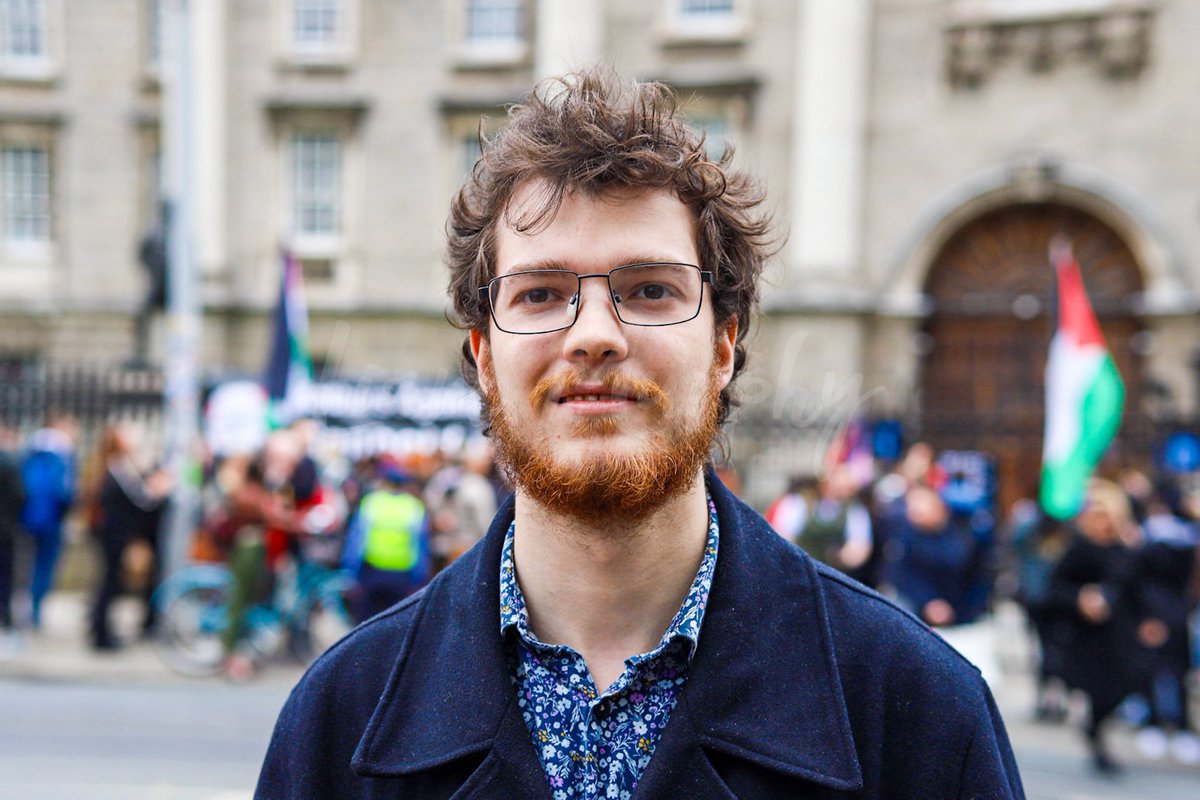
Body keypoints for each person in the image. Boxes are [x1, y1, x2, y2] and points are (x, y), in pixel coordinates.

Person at [257, 68, 1023, 799]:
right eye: (542, 293)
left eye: (650, 290)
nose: (594, 335)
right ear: (484, 356)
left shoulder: (918, 710)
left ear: (723, 347)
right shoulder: (338, 717)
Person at [88, 422, 171, 650]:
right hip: (113, 536)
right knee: (109, 583)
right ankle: (101, 633)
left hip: (115, 535)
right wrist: (157, 490)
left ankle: (100, 628)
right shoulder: (117, 469)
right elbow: (140, 500)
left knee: (110, 582)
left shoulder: (120, 468)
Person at [341, 465, 432, 622]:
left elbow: (356, 542)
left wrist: (350, 573)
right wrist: (419, 579)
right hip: (401, 576)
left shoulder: (371, 503)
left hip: (372, 572)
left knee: (367, 625)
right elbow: (421, 547)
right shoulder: (414, 507)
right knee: (395, 625)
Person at [19, 414, 78, 630]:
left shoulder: (32, 449)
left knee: (27, 564)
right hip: (52, 519)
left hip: (29, 516)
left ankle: (24, 608)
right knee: (45, 565)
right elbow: (65, 491)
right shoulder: (63, 452)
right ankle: (35, 609)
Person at [0, 426, 24, 648]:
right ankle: (4, 618)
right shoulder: (9, 462)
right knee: (5, 576)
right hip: (5, 528)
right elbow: (20, 495)